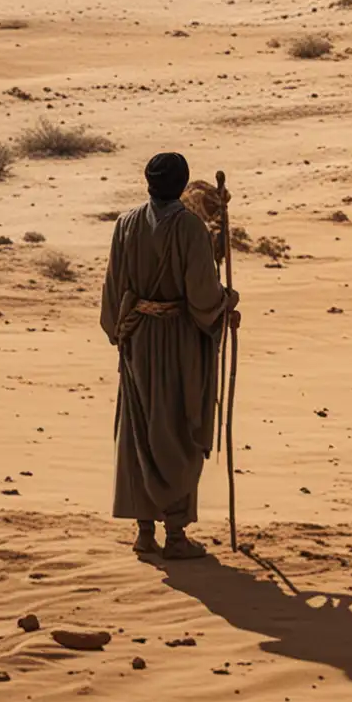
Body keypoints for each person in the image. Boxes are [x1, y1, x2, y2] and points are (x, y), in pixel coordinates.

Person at [99, 151, 238, 561]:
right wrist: (226, 303)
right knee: (178, 426)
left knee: (140, 428)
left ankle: (144, 532)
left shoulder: (125, 224)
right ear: (182, 184)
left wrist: (120, 332)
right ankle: (175, 536)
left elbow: (112, 291)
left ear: (148, 184)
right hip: (179, 342)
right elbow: (202, 297)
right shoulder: (191, 229)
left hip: (139, 342)